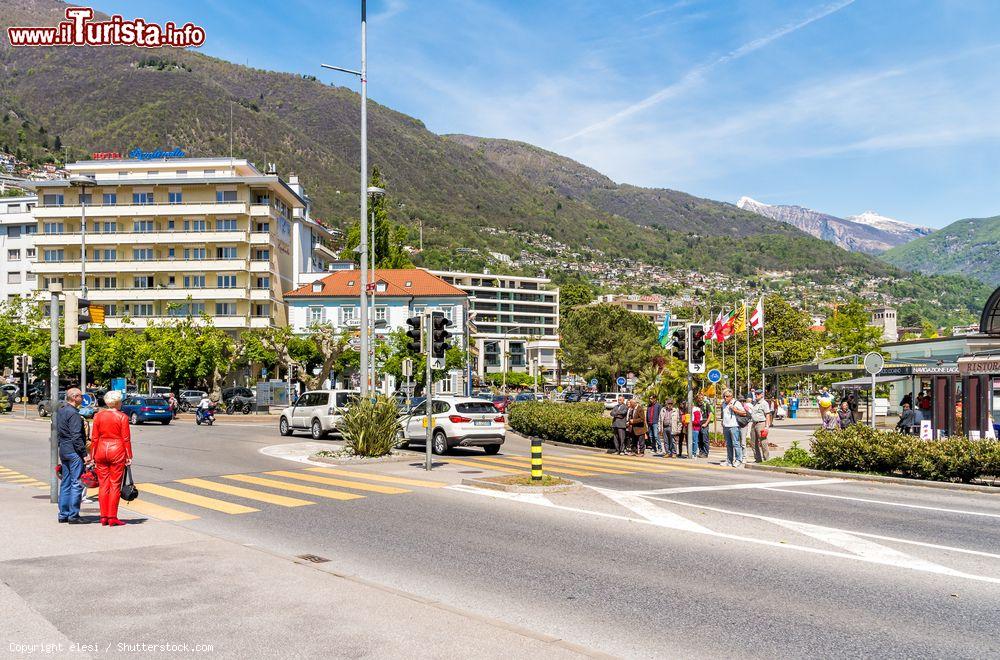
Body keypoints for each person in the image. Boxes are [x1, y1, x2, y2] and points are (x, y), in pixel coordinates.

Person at [90, 390, 133, 527]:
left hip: (101, 450)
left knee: (103, 485)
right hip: (117, 451)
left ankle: (103, 516)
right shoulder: (122, 417)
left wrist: (92, 456)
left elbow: (94, 438)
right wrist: (129, 456)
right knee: (115, 485)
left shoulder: (98, 416)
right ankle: (112, 516)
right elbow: (126, 438)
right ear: (117, 402)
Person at [56, 388, 89, 524]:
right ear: (75, 397)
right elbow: (76, 437)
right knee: (77, 483)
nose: (82, 398)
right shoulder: (74, 414)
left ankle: (63, 514)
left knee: (65, 482)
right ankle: (73, 515)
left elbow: (58, 432)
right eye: (81, 396)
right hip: (74, 452)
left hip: (64, 450)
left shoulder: (61, 410)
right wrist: (84, 454)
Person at [720, 389, 747, 467]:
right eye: (724, 396)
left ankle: (738, 460)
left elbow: (744, 413)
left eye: (727, 396)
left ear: (731, 396)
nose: (725, 398)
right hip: (726, 426)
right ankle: (729, 460)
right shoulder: (724, 404)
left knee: (736, 444)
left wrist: (734, 409)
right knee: (728, 444)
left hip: (734, 426)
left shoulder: (736, 403)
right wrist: (723, 422)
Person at [749, 390, 770, 463]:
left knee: (763, 442)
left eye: (758, 394)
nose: (756, 395)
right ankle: (758, 459)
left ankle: (766, 459)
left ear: (762, 395)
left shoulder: (764, 403)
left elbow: (767, 415)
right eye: (755, 394)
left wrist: (767, 426)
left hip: (761, 423)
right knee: (753, 442)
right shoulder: (755, 403)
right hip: (754, 423)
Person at [695, 393, 712, 458]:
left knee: (705, 439)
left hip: (704, 424)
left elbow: (710, 415)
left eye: (701, 398)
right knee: (699, 439)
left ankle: (706, 453)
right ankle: (701, 452)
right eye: (699, 398)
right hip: (698, 424)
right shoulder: (696, 406)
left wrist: (706, 423)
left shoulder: (706, 405)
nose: (700, 400)